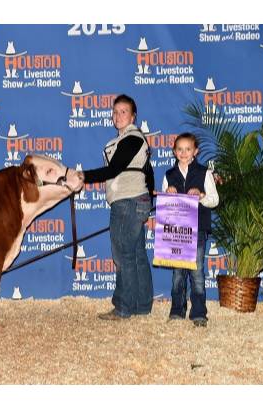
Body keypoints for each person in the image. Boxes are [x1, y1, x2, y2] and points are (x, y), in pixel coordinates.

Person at [81, 94, 154, 320]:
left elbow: (113, 170)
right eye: (115, 112)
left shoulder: (132, 138)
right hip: (137, 200)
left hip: (126, 201)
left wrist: (82, 176)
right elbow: (149, 173)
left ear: (133, 117)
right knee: (137, 254)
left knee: (123, 255)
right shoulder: (134, 140)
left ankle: (123, 308)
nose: (118, 115)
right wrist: (148, 203)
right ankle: (142, 305)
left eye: (124, 111)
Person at [162, 132, 219, 327]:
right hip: (176, 232)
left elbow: (214, 200)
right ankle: (177, 310)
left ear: (195, 151)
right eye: (180, 149)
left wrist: (201, 195)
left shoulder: (204, 173)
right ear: (174, 152)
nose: (183, 152)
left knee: (197, 273)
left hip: (198, 230)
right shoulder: (169, 175)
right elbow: (164, 204)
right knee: (178, 273)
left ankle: (199, 313)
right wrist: (168, 193)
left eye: (188, 149)